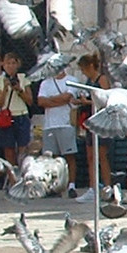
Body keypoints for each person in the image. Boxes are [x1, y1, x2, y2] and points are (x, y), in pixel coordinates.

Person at [38, 63, 82, 198]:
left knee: (69, 156)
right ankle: (54, 187)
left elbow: (67, 97)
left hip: (66, 123)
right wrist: (58, 101)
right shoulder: (45, 83)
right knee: (52, 158)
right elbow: (41, 101)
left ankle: (71, 185)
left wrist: (50, 101)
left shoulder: (72, 81)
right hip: (50, 125)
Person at [75, 53, 112, 199]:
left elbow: (106, 101)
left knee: (102, 156)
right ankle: (93, 187)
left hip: (102, 122)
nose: (83, 72)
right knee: (90, 156)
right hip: (90, 122)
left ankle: (108, 187)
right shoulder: (88, 82)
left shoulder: (101, 79)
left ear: (91, 66)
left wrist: (88, 102)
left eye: (84, 69)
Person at [0, 52, 34, 167]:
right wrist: (5, 88)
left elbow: (30, 101)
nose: (10, 66)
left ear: (17, 64)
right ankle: (13, 176)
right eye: (8, 63)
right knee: (8, 149)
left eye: (13, 63)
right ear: (3, 65)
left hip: (21, 115)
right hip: (7, 117)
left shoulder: (23, 78)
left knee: (23, 148)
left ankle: (23, 171)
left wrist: (19, 89)